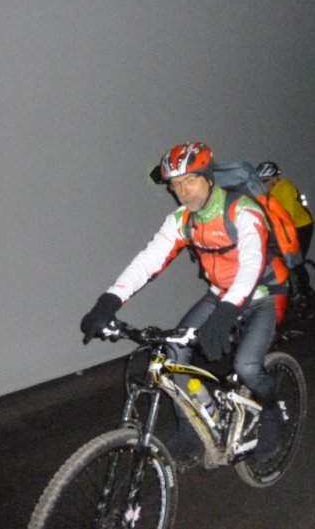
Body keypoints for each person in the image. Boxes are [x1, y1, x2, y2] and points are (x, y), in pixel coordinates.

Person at [80, 142, 287, 463]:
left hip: (263, 294)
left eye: (189, 180)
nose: (182, 191)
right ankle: (192, 430)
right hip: (220, 295)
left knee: (246, 365)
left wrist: (226, 314)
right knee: (174, 353)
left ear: (208, 177)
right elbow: (147, 261)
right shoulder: (182, 220)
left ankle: (272, 412)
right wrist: (108, 302)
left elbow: (251, 264)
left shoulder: (243, 211)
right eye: (175, 185)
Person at [256, 162, 315, 300]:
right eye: (261, 181)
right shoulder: (265, 192)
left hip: (301, 227)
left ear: (275, 178)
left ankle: (306, 292)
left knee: (296, 261)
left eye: (266, 181)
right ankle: (290, 290)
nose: (264, 184)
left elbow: (287, 215)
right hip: (283, 228)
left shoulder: (285, 188)